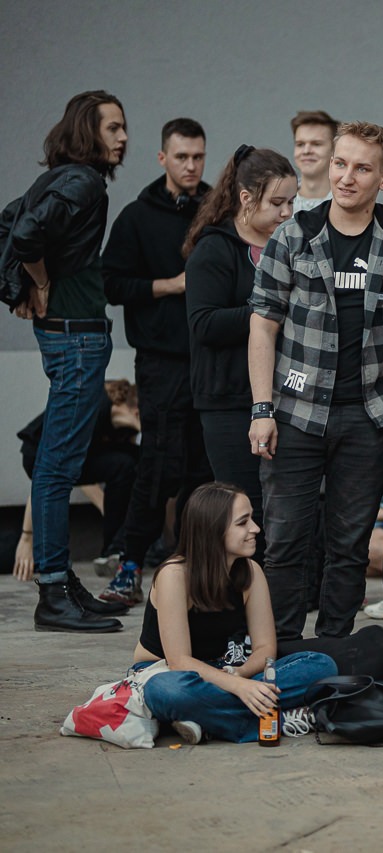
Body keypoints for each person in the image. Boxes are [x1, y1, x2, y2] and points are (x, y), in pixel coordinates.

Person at [248, 121, 383, 640]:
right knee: (285, 544)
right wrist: (261, 409)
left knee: (348, 546)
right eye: (340, 164)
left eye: (361, 168)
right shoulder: (293, 235)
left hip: (366, 417)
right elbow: (262, 324)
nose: (346, 177)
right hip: (295, 414)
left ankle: (335, 652)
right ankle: (282, 653)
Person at [11, 90, 128, 632]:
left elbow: (11, 220)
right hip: (76, 338)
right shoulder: (82, 181)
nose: (122, 137)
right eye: (112, 128)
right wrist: (37, 282)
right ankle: (54, 592)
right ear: (87, 131)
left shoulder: (60, 178)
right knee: (58, 468)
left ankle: (63, 586)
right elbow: (24, 233)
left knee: (60, 464)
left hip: (70, 336)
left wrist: (32, 285)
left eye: (123, 128)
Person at [101, 117, 213, 606]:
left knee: (203, 467)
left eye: (198, 157)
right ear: (163, 158)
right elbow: (111, 284)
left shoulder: (216, 210)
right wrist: (171, 285)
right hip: (160, 361)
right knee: (158, 463)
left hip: (209, 358)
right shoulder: (137, 216)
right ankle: (129, 565)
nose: (191, 166)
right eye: (181, 157)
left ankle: (189, 568)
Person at [134, 482, 337, 744]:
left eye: (251, 519)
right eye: (243, 522)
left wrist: (240, 677)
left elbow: (265, 649)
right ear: (213, 530)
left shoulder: (250, 571)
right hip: (166, 671)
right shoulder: (174, 575)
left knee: (321, 665)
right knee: (166, 692)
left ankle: (207, 719)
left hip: (227, 669)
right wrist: (240, 687)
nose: (255, 528)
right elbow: (179, 662)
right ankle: (276, 720)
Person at [185, 145, 297, 558]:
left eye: (291, 202)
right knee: (248, 513)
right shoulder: (213, 250)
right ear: (246, 198)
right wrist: (266, 312)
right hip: (228, 402)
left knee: (286, 513)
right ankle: (244, 591)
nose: (287, 212)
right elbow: (204, 324)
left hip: (284, 398)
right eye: (277, 203)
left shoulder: (290, 247)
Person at [14, 380, 139, 591]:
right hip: (38, 454)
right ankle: (54, 572)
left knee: (126, 464)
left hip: (65, 459)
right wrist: (27, 537)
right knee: (63, 474)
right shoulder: (94, 409)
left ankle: (113, 550)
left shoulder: (122, 431)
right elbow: (48, 473)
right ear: (135, 410)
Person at [289, 110, 337, 213]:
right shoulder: (279, 201)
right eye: (300, 144)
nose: (306, 151)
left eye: (316, 144)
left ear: (334, 149)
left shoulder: (346, 202)